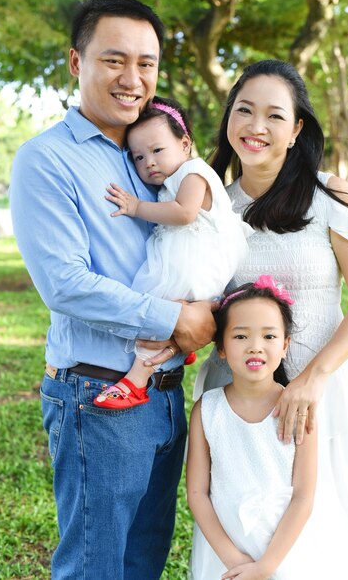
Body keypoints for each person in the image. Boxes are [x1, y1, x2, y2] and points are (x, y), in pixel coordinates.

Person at [9, 0, 216, 580]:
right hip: (98, 397)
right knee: (96, 568)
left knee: (143, 561)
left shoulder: (150, 156)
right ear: (78, 63)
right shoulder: (46, 160)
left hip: (166, 396)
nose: (133, 78)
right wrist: (175, 319)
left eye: (146, 63)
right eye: (114, 60)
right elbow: (65, 284)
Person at [193, 59, 348, 572]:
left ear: (297, 128)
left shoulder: (330, 195)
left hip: (321, 394)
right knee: (242, 532)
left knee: (322, 541)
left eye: (275, 116)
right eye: (244, 110)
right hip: (241, 405)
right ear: (228, 118)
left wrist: (311, 380)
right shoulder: (212, 209)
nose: (257, 127)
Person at [187, 277, 348, 580]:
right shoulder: (207, 410)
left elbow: (303, 496)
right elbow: (197, 492)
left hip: (291, 544)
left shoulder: (298, 409)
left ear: (285, 345)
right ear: (220, 347)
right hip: (227, 544)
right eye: (241, 337)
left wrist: (266, 566)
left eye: (269, 337)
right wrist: (233, 559)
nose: (255, 347)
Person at [93, 96, 251, 409]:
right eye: (138, 157)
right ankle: (178, 348)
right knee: (163, 314)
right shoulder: (174, 179)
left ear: (184, 143)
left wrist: (137, 207)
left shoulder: (193, 172)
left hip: (198, 265)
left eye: (157, 150)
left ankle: (135, 382)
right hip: (193, 263)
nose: (148, 162)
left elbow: (184, 213)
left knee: (155, 307)